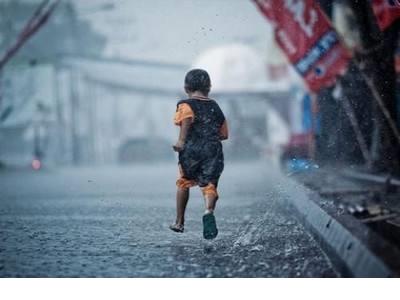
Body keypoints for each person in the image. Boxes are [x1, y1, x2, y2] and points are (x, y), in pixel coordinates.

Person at [169, 69, 228, 240]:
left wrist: (181, 141)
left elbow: (187, 118)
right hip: (212, 150)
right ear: (209, 87)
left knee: (184, 183)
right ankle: (208, 210)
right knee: (210, 186)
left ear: (186, 87)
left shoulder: (185, 104)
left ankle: (179, 222)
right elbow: (224, 134)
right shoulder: (215, 106)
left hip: (191, 150)